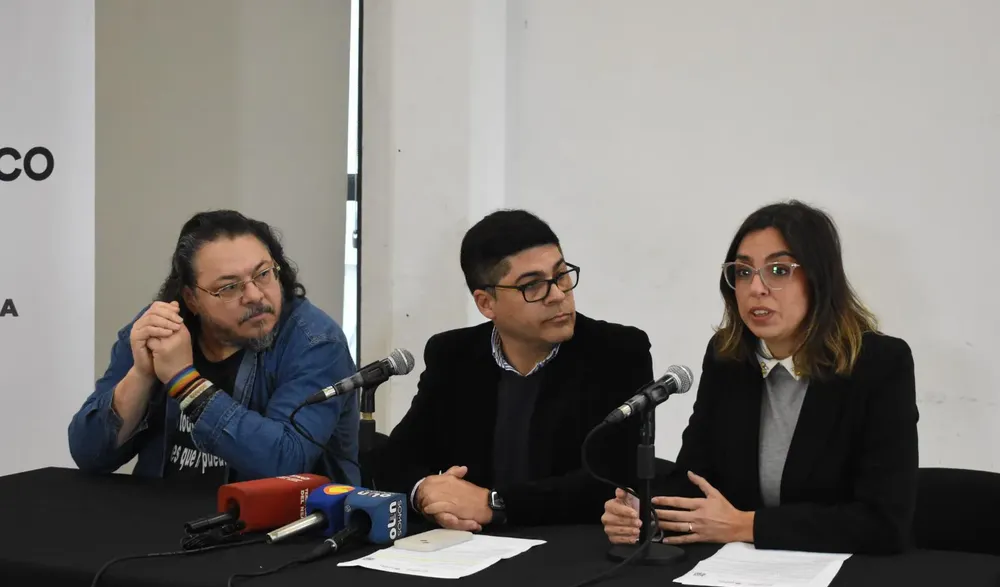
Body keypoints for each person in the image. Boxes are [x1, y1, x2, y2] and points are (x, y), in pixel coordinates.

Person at [602, 200, 918, 554]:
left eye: (779, 271)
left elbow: (884, 522)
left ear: (819, 279)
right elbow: (695, 479)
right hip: (740, 572)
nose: (756, 288)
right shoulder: (728, 358)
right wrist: (644, 513)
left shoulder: (879, 364)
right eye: (743, 272)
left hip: (848, 575)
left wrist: (747, 526)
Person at [383, 209, 653, 529]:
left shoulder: (617, 352)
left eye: (561, 276)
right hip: (468, 545)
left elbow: (613, 478)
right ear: (486, 303)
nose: (558, 295)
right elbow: (395, 458)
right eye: (533, 285)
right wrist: (425, 493)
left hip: (571, 545)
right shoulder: (453, 355)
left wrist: (494, 504)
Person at [69, 210, 360, 485]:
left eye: (263, 274)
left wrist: (185, 383)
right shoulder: (161, 329)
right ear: (192, 299)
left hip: (271, 519)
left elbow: (285, 461)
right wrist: (142, 374)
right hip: (157, 513)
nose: (255, 295)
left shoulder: (316, 342)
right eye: (229, 287)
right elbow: (89, 454)